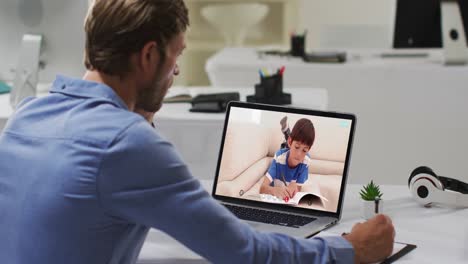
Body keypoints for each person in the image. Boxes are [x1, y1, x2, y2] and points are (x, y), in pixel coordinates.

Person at [0, 0, 395, 263]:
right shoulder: (128, 144)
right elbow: (243, 252)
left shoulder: (27, 115)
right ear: (150, 55)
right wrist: (349, 250)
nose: (175, 72)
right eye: (177, 56)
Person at [260, 118, 314, 201]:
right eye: (297, 147)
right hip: (285, 151)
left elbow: (298, 189)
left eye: (304, 150)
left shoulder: (306, 160)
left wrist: (294, 188)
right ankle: (287, 133)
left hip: (289, 147)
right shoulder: (279, 157)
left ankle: (287, 133)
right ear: (290, 142)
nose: (299, 154)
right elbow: (262, 188)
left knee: (289, 148)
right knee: (284, 147)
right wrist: (274, 190)